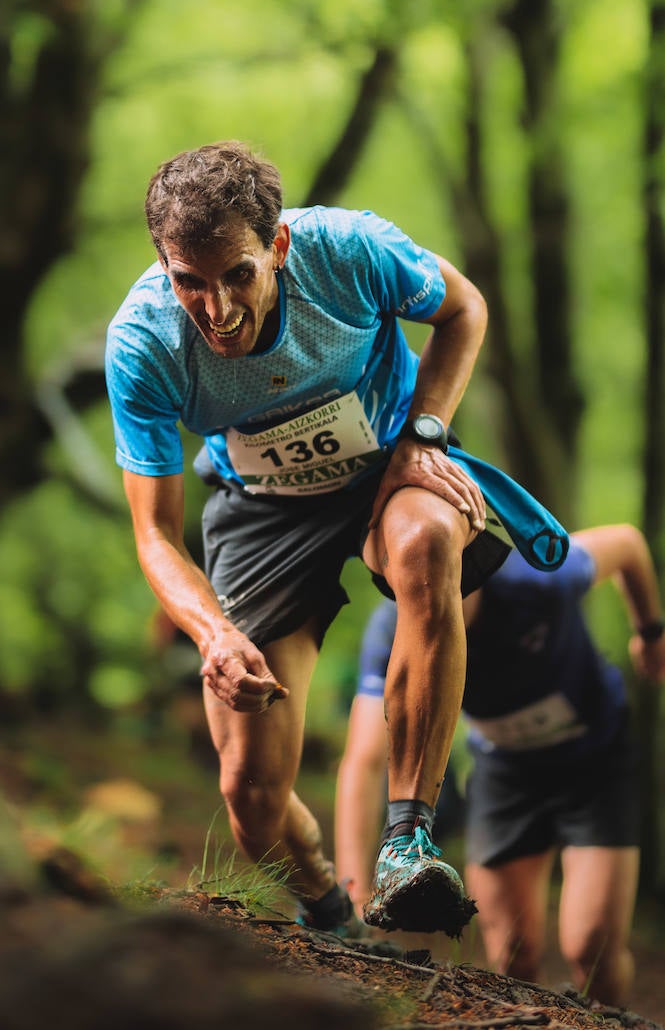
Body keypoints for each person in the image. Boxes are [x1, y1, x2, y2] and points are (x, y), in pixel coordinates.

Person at [104, 141, 567, 937]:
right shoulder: (143, 344)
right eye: (189, 282)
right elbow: (153, 534)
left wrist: (425, 433)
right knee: (249, 796)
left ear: (276, 247)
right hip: (261, 509)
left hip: (388, 467)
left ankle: (407, 841)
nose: (215, 309)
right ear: (163, 265)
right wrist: (211, 633)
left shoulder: (347, 251)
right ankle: (326, 901)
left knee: (426, 539)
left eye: (237, 275)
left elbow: (464, 308)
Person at [334, 525, 665, 1006]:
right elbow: (364, 761)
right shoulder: (394, 629)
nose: (430, 607)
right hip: (503, 770)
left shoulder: (539, 575)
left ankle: (612, 1018)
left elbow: (630, 544)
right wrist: (353, 885)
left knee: (590, 946)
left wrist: (651, 633)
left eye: (444, 586)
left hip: (594, 761)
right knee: (512, 952)